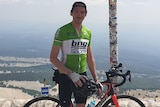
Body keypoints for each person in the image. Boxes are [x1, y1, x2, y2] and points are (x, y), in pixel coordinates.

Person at [50, 1, 102, 107]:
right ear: (71, 13)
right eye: (77, 12)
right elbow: (53, 58)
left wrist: (96, 79)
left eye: (82, 12)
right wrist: (70, 74)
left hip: (82, 76)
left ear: (85, 14)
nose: (79, 15)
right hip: (65, 75)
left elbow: (89, 58)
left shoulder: (87, 33)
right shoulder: (62, 31)